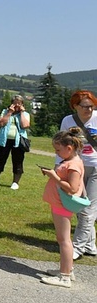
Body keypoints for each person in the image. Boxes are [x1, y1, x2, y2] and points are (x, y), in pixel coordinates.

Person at [40, 128, 86, 288]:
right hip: (59, 204)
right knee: (63, 239)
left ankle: (65, 276)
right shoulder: (70, 162)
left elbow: (72, 188)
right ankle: (67, 269)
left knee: (64, 240)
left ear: (69, 148)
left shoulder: (73, 165)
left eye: (58, 150)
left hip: (62, 205)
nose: (57, 153)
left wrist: (55, 177)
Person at [59, 90, 97, 260]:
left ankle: (78, 247)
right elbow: (62, 144)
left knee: (88, 209)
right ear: (75, 106)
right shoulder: (68, 121)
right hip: (77, 167)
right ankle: (90, 244)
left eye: (91, 106)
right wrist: (59, 165)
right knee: (79, 205)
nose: (89, 109)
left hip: (95, 166)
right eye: (85, 106)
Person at [0, 95, 30, 190]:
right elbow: (1, 123)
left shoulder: (26, 114)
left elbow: (25, 125)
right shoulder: (5, 112)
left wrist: (22, 113)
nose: (17, 105)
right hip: (4, 140)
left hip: (19, 141)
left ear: (22, 104)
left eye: (19, 103)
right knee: (0, 159)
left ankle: (15, 182)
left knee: (18, 161)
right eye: (15, 102)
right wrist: (10, 112)